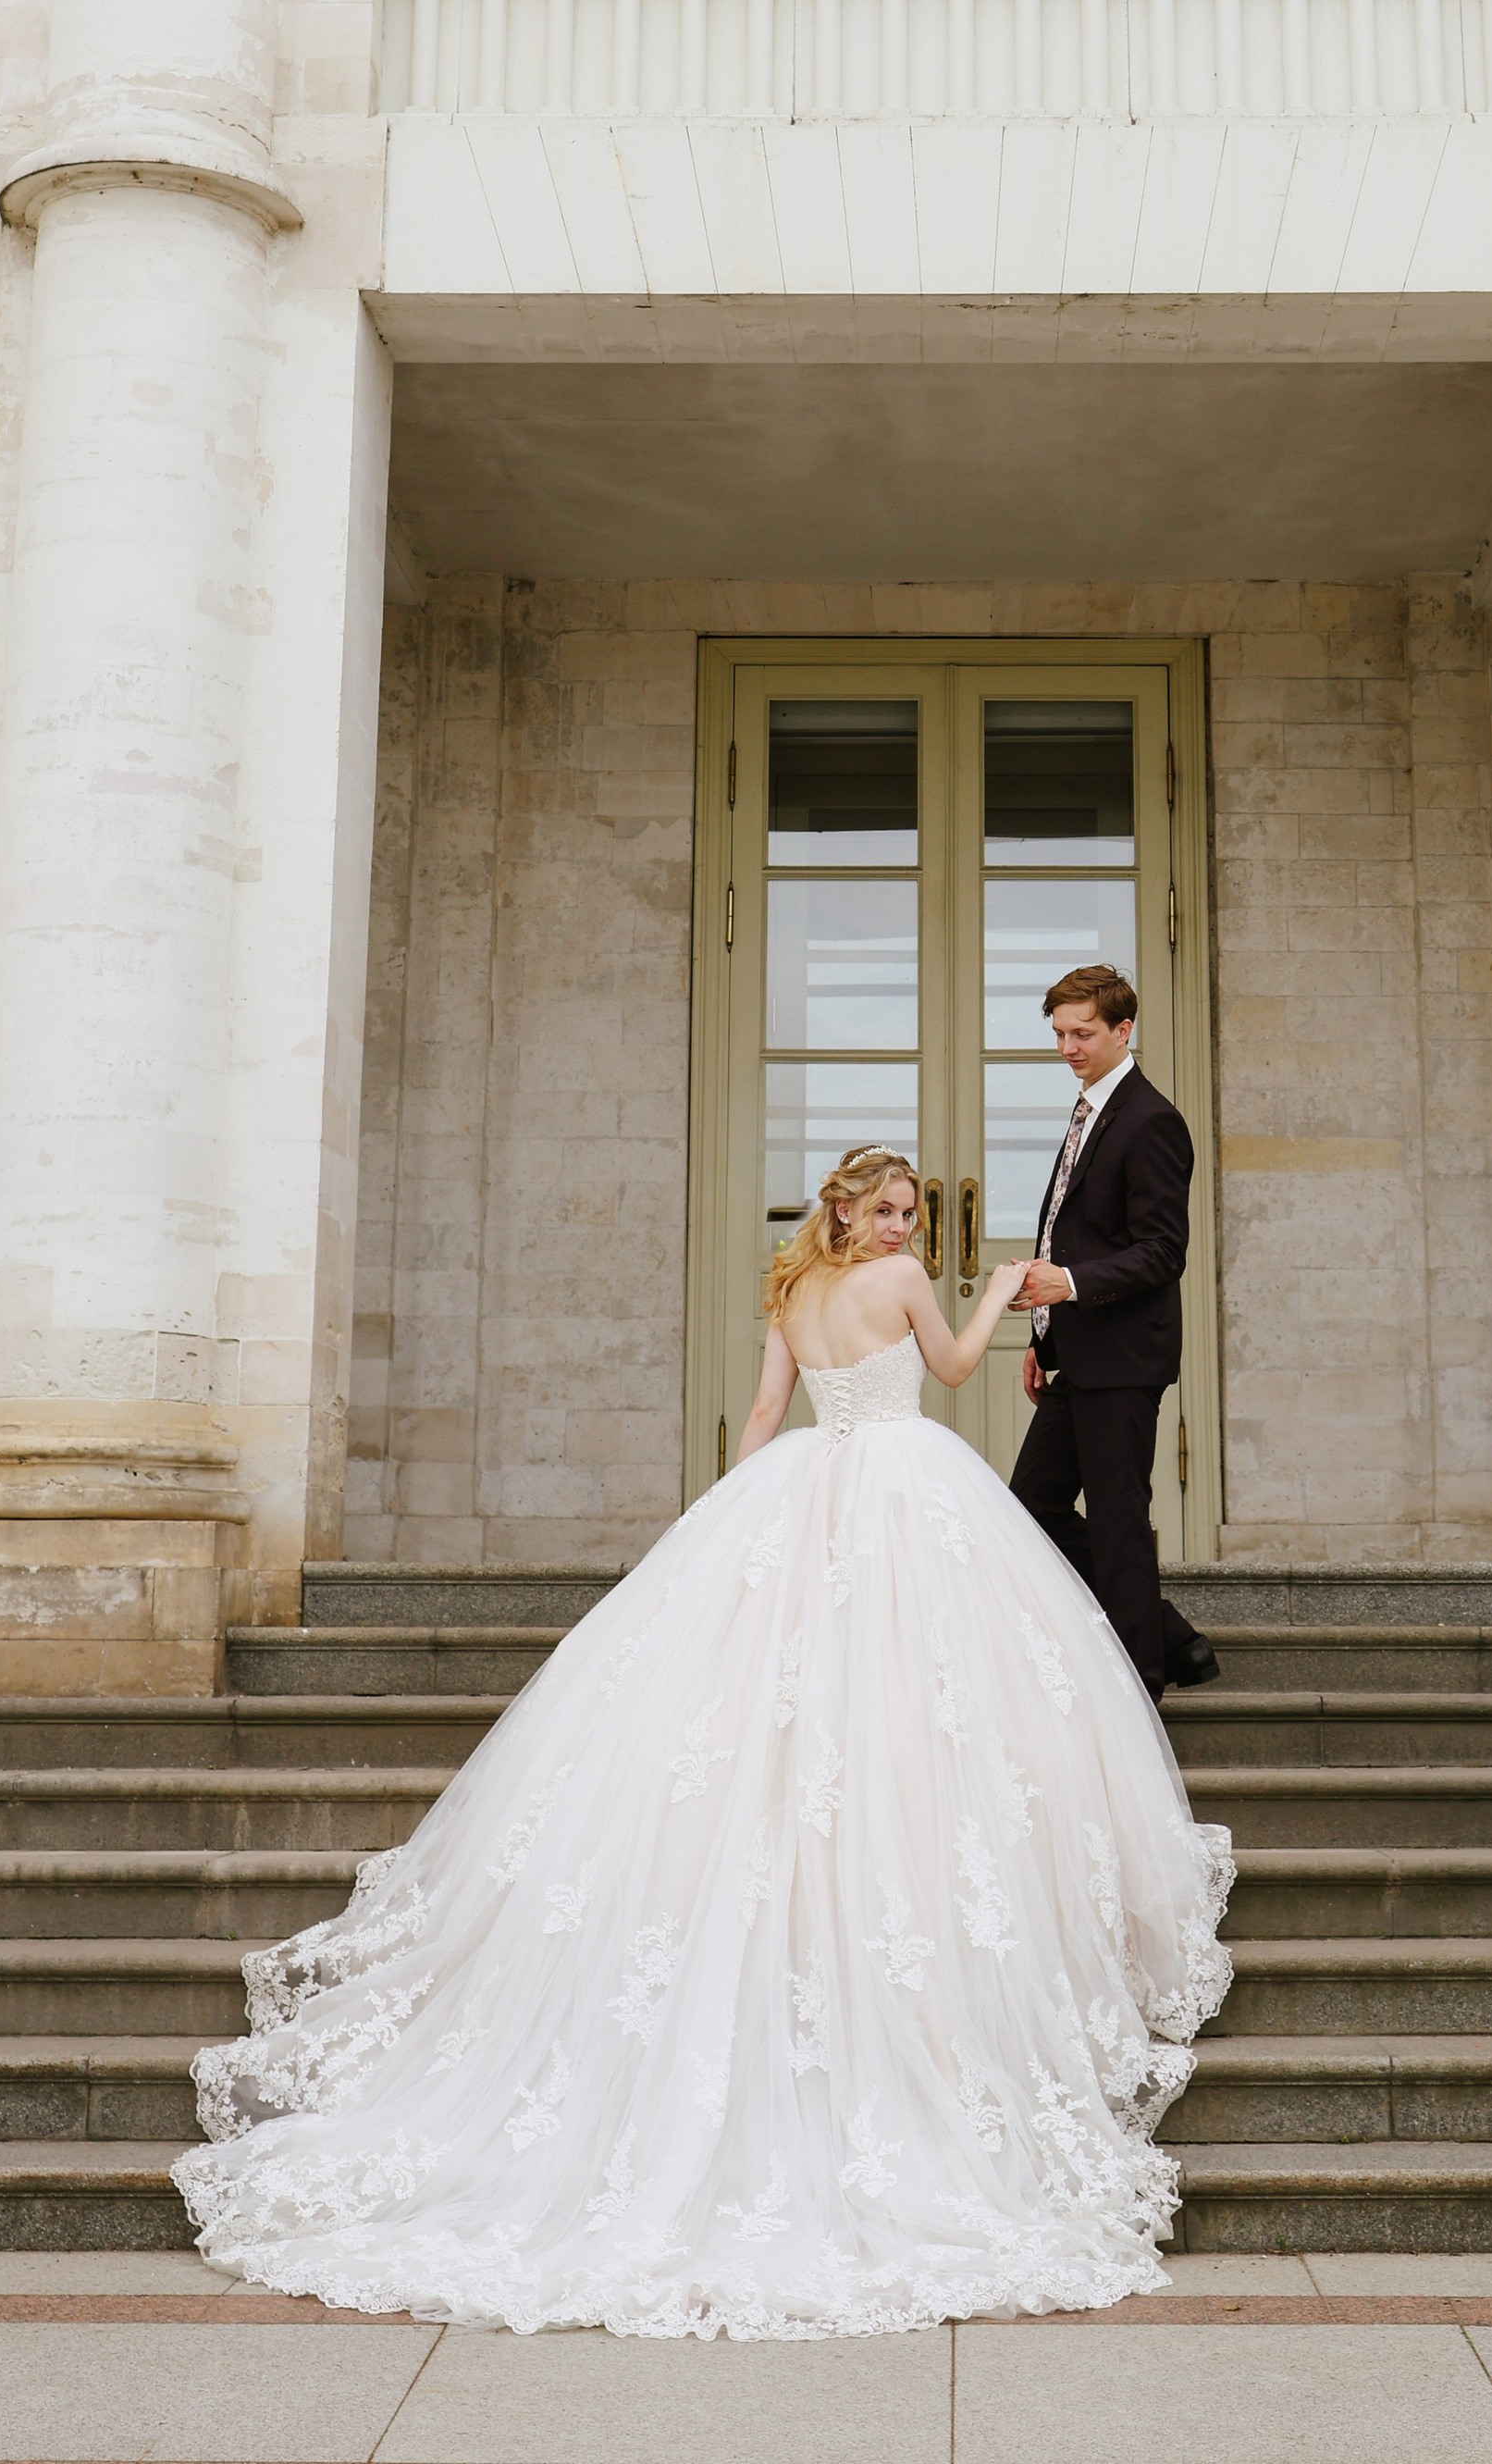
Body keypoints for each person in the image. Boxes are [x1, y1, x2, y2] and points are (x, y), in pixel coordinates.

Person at [172, 1145, 1233, 2340]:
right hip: (898, 1489)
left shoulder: (792, 1290)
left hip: (804, 1487)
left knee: (842, 1700)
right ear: (847, 1211)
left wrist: (732, 1524)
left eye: (908, 1214)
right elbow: (948, 1370)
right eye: (887, 1210)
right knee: (904, 1691)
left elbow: (768, 1415)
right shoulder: (900, 1287)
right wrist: (995, 1294)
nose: (901, 1228)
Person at [1007, 964, 1220, 1703]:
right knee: (1030, 1508)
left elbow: (1162, 1251)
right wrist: (1044, 1338)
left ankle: (1142, 1690)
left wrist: (1064, 1286)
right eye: (1060, 1034)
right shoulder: (1089, 1111)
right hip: (1077, 1354)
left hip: (1126, 1359)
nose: (1068, 1047)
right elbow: (1069, 1228)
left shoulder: (1150, 1120)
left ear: (1124, 1030)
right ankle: (1171, 1637)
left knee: (1118, 1520)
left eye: (1083, 1033)